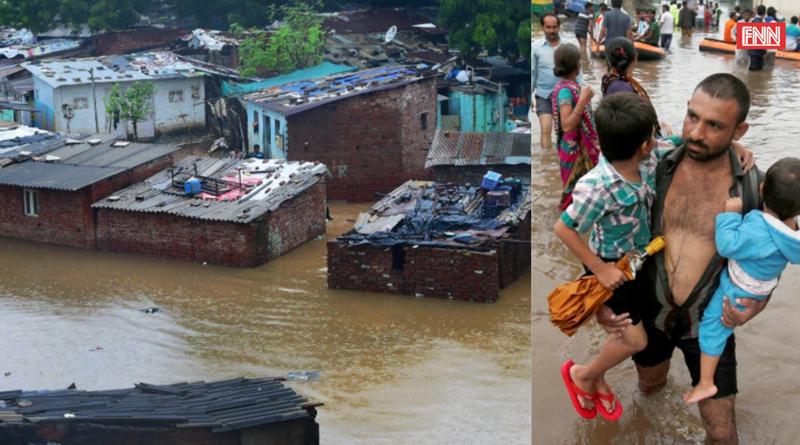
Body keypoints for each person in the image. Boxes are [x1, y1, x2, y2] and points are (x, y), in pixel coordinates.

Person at [596, 74, 761, 444]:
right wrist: (601, 302)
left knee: (721, 433)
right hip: (651, 310)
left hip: (708, 324)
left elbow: (773, 255)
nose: (696, 133)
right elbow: (603, 224)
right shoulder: (654, 164)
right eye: (692, 116)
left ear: (740, 129)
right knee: (650, 388)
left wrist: (755, 307)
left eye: (715, 125)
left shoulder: (753, 187)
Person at [556, 93, 683, 421]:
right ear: (643, 144)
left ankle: (596, 377)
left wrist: (736, 147)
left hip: (637, 262)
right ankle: (583, 374)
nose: (657, 141)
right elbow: (563, 228)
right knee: (635, 339)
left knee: (624, 329)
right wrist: (599, 269)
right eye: (652, 136)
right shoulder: (597, 187)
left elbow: (682, 141)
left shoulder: (650, 160)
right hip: (610, 266)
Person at [683, 158, 800, 404]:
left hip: (736, 289)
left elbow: (727, 246)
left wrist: (730, 217)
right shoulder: (792, 234)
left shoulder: (758, 228)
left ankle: (705, 383)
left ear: (761, 190)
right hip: (759, 290)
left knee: (711, 329)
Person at [551, 43, 600, 210]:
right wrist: (582, 100)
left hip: (578, 148)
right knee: (574, 194)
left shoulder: (570, 87)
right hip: (574, 150)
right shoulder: (565, 91)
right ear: (577, 66)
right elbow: (567, 126)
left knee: (584, 193)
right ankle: (567, 223)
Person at [532, 13, 584, 150]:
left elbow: (578, 70)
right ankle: (547, 160)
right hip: (544, 95)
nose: (552, 30)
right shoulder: (535, 47)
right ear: (542, 27)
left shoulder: (569, 46)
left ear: (559, 27)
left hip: (566, 94)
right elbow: (533, 73)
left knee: (566, 130)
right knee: (546, 128)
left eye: (554, 27)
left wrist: (582, 91)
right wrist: (529, 95)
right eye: (548, 27)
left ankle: (562, 158)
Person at [749, 5, 767, 71]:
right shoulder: (761, 23)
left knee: (752, 68)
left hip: (751, 50)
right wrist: (764, 51)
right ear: (765, 12)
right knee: (757, 69)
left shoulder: (752, 21)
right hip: (757, 52)